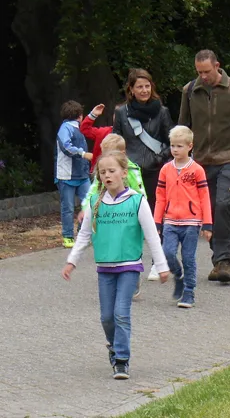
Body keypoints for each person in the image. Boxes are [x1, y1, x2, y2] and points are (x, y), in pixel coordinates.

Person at [61, 151, 170, 380]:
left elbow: (152, 236)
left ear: (123, 172)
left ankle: (122, 360)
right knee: (106, 317)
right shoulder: (95, 202)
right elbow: (83, 235)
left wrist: (161, 266)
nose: (107, 175)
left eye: (112, 171)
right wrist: (72, 261)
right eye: (102, 172)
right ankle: (113, 345)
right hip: (105, 269)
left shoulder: (137, 201)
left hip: (129, 267)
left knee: (121, 313)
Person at [178, 49, 230, 284]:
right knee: (210, 211)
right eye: (198, 72)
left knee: (224, 204)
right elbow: (183, 127)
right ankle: (218, 260)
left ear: (217, 65)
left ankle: (224, 261)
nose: (202, 76)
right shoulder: (189, 91)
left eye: (206, 71)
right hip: (201, 160)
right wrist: (180, 158)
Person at [152, 125, 213, 308]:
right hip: (170, 220)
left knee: (188, 257)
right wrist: (157, 221)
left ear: (190, 146)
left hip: (191, 222)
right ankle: (178, 275)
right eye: (172, 146)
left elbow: (204, 197)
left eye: (179, 146)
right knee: (167, 252)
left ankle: (189, 291)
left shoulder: (197, 170)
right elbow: (160, 196)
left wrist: (207, 224)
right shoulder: (165, 170)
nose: (175, 150)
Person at [112, 69, 174, 212]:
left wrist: (159, 158)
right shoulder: (121, 113)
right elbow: (115, 142)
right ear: (131, 89)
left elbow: (173, 142)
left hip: (155, 171)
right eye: (139, 87)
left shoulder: (162, 111)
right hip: (130, 172)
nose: (144, 90)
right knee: (132, 212)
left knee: (155, 213)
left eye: (147, 86)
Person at [56, 100, 93, 248]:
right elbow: (66, 146)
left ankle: (83, 233)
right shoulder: (66, 128)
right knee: (68, 207)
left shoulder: (79, 128)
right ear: (80, 115)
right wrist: (83, 154)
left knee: (89, 203)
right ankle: (68, 236)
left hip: (82, 175)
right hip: (66, 175)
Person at [80, 104, 113, 173]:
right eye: (118, 113)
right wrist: (93, 115)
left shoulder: (132, 134)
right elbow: (85, 129)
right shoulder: (104, 132)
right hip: (99, 173)